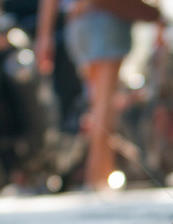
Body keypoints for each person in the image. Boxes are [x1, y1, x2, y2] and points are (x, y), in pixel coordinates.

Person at [35, 0, 163, 191]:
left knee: (98, 103)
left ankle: (104, 171)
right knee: (104, 105)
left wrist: (44, 37)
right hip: (105, 19)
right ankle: (94, 176)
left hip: (76, 23)